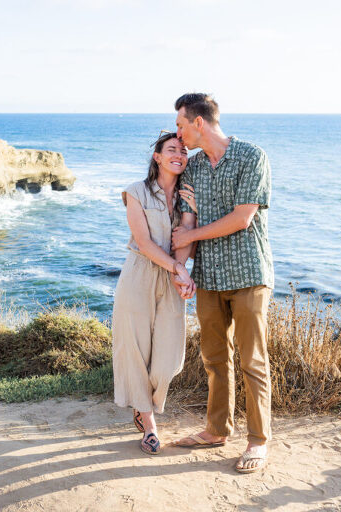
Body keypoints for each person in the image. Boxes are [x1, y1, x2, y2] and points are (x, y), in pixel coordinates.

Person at [170, 93, 274, 473]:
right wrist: (181, 269)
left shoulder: (252, 156)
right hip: (209, 277)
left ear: (199, 122)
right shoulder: (194, 169)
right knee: (214, 359)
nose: (178, 136)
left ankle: (258, 441)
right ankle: (216, 430)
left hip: (248, 274)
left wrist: (190, 239)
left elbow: (242, 218)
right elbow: (187, 224)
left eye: (181, 126)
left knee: (253, 361)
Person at [111, 132, 196, 455]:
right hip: (138, 274)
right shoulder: (136, 192)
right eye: (171, 149)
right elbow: (144, 243)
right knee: (134, 350)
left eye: (183, 151)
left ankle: (145, 404)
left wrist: (180, 267)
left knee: (168, 359)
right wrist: (180, 270)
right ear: (157, 157)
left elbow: (187, 235)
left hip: (172, 276)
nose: (179, 154)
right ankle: (148, 422)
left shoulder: (189, 194)